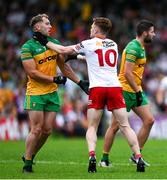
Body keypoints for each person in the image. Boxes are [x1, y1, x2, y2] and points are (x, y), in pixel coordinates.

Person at [33, 17, 146, 173]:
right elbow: (96, 57)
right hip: (114, 88)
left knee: (92, 126)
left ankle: (92, 156)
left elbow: (63, 50)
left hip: (97, 88)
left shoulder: (88, 43)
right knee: (125, 126)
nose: (91, 29)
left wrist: (44, 41)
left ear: (97, 29)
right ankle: (138, 157)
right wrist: (78, 56)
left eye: (92, 27)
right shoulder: (113, 44)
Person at [20, 13, 89, 173]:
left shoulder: (54, 43)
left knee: (47, 131)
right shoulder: (27, 47)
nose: (50, 26)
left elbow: (64, 66)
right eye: (47, 23)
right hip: (36, 92)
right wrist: (54, 79)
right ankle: (27, 164)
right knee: (36, 129)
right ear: (37, 27)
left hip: (52, 93)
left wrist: (79, 82)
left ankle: (29, 154)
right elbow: (32, 73)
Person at [98, 20, 155, 167]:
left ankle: (136, 156)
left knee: (149, 120)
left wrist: (138, 90)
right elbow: (127, 73)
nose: (154, 35)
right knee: (115, 126)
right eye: (152, 31)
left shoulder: (141, 47)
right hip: (124, 90)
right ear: (145, 33)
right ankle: (104, 158)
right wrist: (137, 91)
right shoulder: (133, 48)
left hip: (135, 90)